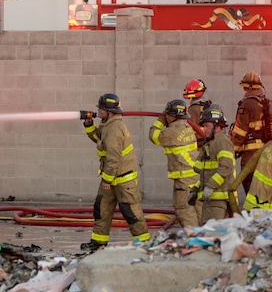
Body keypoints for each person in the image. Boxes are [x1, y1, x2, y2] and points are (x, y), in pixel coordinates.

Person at [80, 93, 151, 252]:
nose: (98, 110)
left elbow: (113, 157)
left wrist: (106, 180)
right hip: (110, 177)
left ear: (109, 111)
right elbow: (98, 139)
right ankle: (98, 242)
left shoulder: (115, 128)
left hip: (122, 179)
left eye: (101, 108)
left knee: (130, 212)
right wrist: (88, 124)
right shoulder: (107, 124)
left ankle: (144, 243)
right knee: (101, 209)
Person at [149, 99, 200, 227]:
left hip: (184, 178)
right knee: (196, 209)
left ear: (174, 116)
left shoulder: (172, 132)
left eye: (167, 114)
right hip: (195, 176)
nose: (166, 116)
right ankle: (201, 235)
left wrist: (160, 120)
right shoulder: (188, 128)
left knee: (183, 209)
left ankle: (193, 237)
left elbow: (153, 136)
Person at [192, 105, 236, 224]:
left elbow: (225, 168)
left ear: (217, 126)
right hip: (211, 198)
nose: (204, 129)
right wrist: (196, 189)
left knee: (211, 233)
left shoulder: (222, 142)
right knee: (208, 231)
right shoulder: (211, 143)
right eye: (203, 126)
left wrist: (210, 186)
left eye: (207, 126)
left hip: (218, 198)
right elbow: (207, 171)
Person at [231, 71, 269, 194]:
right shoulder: (266, 102)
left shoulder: (246, 105)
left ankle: (253, 212)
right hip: (266, 152)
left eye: (244, 87)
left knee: (250, 185)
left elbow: (240, 131)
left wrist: (232, 150)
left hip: (251, 154)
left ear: (249, 87)